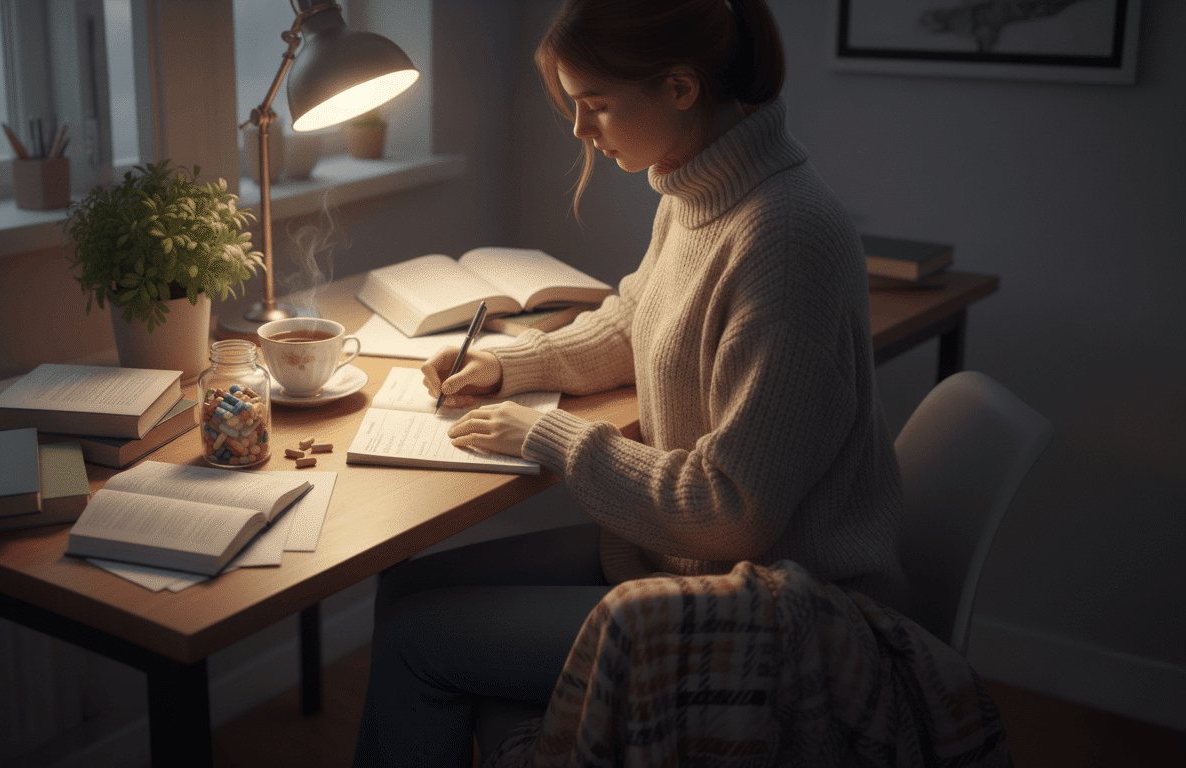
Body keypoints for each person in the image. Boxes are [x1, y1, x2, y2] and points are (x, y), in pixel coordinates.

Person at [351, 1, 908, 765]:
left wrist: (548, 434)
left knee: (417, 641)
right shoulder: (693, 189)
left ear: (680, 87)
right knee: (405, 589)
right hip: (674, 560)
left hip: (769, 608)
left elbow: (732, 509)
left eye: (596, 106)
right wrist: (511, 365)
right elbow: (634, 320)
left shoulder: (783, 240)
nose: (581, 130)